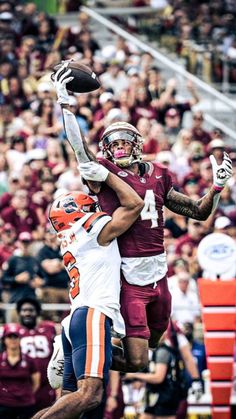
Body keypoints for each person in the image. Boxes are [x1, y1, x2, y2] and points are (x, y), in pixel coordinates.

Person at [53, 62, 233, 372]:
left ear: (137, 145)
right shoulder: (104, 173)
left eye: (124, 143)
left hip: (159, 271)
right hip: (127, 274)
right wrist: (66, 105)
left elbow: (198, 211)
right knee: (138, 362)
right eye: (113, 145)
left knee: (155, 342)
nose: (119, 149)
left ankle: (82, 348)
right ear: (106, 151)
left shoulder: (159, 175)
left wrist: (216, 187)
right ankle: (71, 350)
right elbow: (80, 150)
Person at [32, 164, 144, 418]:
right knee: (90, 394)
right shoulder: (88, 230)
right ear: (78, 212)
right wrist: (107, 177)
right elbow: (135, 205)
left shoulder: (73, 237)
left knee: (69, 403)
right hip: (93, 314)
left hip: (78, 318)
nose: (97, 210)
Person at [16, 297, 57, 414]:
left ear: (37, 312)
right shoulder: (14, 333)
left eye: (31, 310)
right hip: (23, 386)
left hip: (46, 386)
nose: (27, 313)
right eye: (24, 310)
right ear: (19, 313)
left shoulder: (49, 328)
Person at [0, 323, 40, 419]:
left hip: (26, 405)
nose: (13, 340)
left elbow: (36, 383)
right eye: (9, 337)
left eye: (15, 336)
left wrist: (25, 394)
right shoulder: (0, 359)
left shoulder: (29, 359)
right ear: (4, 340)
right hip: (4, 404)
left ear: (20, 338)